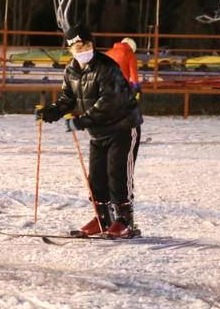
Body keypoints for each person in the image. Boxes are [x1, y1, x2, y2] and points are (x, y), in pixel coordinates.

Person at [36, 25, 143, 238]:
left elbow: (109, 101)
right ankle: (103, 219)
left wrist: (82, 121)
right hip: (98, 132)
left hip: (122, 127)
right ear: (70, 49)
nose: (82, 48)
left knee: (118, 174)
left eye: (85, 44)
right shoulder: (71, 70)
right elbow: (69, 98)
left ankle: (125, 221)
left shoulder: (107, 67)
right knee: (96, 178)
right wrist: (52, 112)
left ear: (91, 44)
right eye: (76, 46)